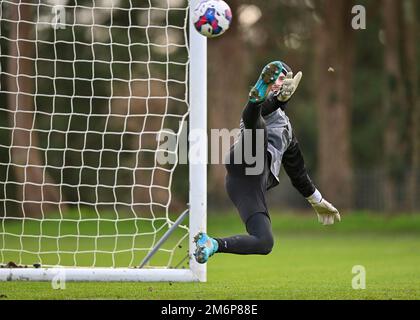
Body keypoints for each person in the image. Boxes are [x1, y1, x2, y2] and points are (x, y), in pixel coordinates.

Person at [194, 61, 341, 263]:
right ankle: (256, 94)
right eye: (275, 78)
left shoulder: (287, 131)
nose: (279, 82)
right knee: (257, 126)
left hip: (249, 185)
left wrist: (317, 200)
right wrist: (278, 99)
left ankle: (212, 244)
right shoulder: (266, 106)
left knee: (264, 242)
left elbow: (298, 173)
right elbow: (259, 111)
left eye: (282, 78)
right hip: (246, 158)